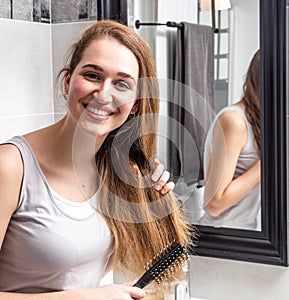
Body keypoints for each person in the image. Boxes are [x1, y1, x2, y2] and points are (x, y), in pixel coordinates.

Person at [0, 20, 192, 299]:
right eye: (92, 75)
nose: (104, 94)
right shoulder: (11, 167)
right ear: (68, 81)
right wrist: (84, 297)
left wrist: (149, 203)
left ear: (136, 105)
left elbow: (84, 264)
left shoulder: (118, 172)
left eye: (122, 84)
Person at [199, 50, 261, 230]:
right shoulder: (234, 121)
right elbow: (213, 204)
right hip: (221, 236)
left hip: (246, 234)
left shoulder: (260, 121)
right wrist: (265, 165)